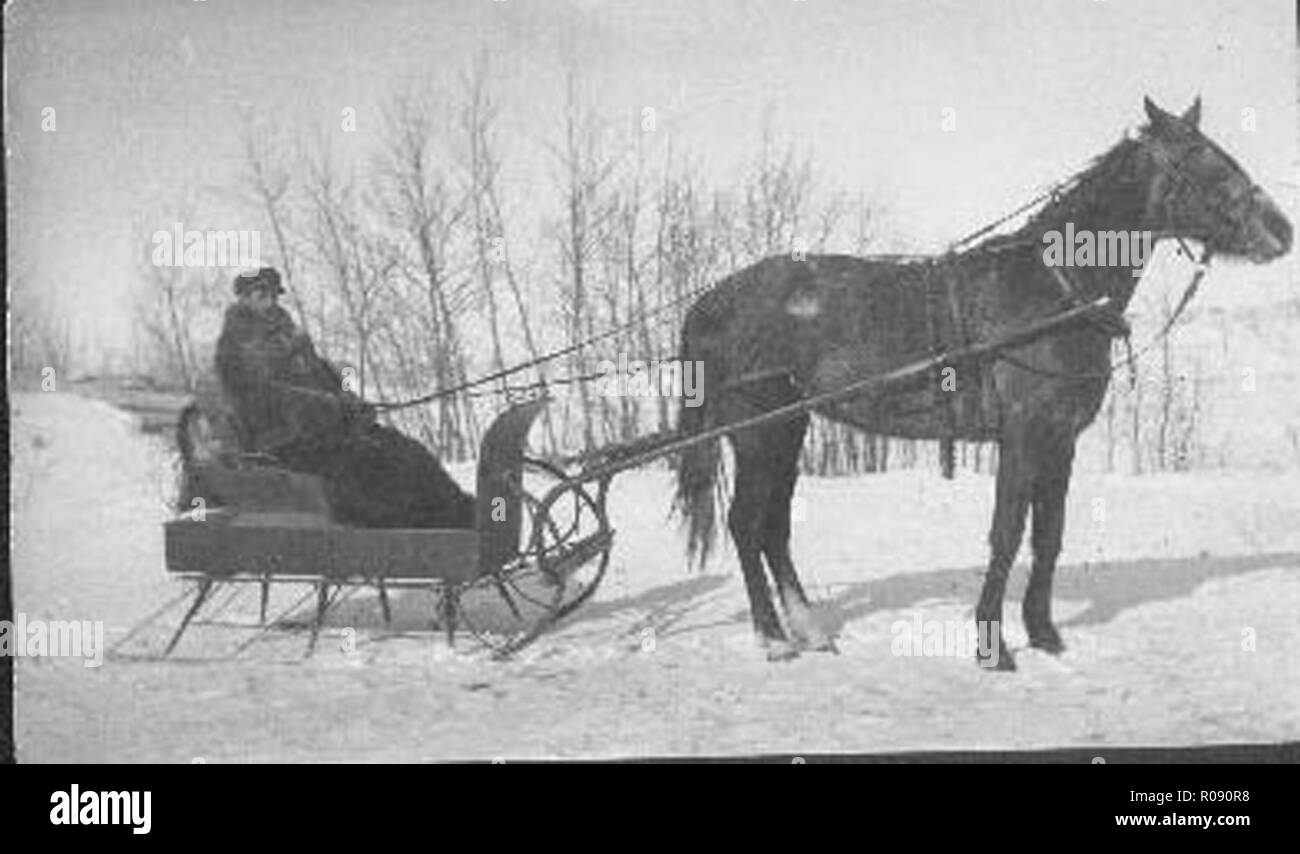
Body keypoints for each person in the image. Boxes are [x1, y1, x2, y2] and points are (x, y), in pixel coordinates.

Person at [212, 267, 475, 529]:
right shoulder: (235, 348)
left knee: (406, 450)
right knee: (369, 464)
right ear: (243, 298)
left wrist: (350, 401)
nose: (269, 302)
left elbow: (324, 375)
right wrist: (326, 404)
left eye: (273, 295)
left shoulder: (291, 337)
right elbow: (263, 396)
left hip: (320, 432)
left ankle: (460, 513)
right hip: (282, 441)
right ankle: (425, 529)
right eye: (261, 294)